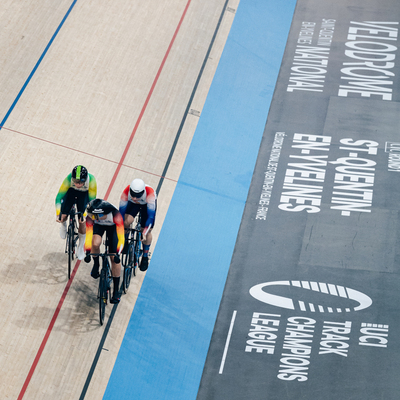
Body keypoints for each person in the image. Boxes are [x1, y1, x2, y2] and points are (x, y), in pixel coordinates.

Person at [84, 198, 125, 304]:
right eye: (90, 215)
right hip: (99, 226)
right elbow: (88, 236)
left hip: (113, 227)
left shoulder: (116, 215)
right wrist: (88, 252)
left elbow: (121, 238)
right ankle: (96, 264)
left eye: (93, 216)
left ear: (102, 214)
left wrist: (118, 254)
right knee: (95, 243)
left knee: (113, 258)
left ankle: (116, 290)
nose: (90, 217)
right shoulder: (90, 217)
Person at [55, 165, 97, 260]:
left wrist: (85, 215)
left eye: (80, 182)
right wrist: (58, 213)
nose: (77, 184)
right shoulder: (69, 178)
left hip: (84, 195)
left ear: (85, 179)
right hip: (71, 192)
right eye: (75, 182)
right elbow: (58, 198)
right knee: (63, 215)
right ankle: (63, 225)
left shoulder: (91, 181)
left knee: (82, 221)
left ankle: (81, 245)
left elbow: (92, 203)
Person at [119, 178, 157, 271]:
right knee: (126, 222)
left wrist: (144, 232)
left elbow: (150, 217)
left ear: (143, 192)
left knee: (146, 232)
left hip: (146, 205)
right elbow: (121, 213)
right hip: (132, 204)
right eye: (133, 195)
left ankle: (144, 256)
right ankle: (126, 242)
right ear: (130, 191)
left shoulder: (150, 194)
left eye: (138, 196)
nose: (135, 198)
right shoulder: (126, 192)